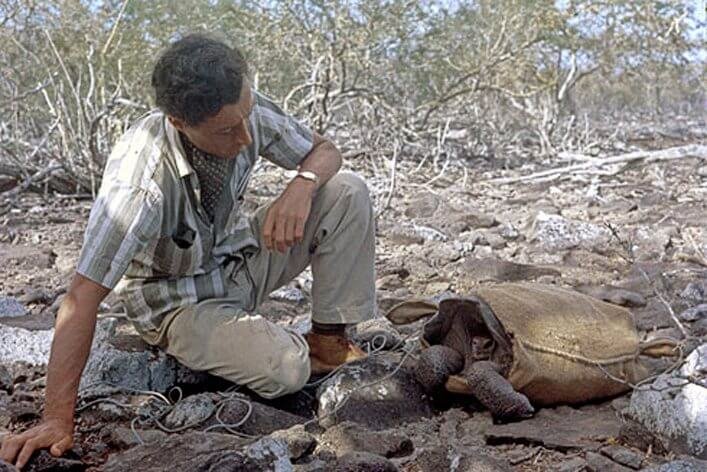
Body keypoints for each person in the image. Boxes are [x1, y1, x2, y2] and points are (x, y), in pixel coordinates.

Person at [0, 34, 375, 469]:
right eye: (227, 130)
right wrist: (56, 418)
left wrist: (302, 185)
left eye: (247, 117)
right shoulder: (139, 183)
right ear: (180, 122)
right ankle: (279, 349)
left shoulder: (238, 104)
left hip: (230, 258)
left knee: (346, 191)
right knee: (284, 370)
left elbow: (326, 152)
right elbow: (81, 298)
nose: (245, 137)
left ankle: (328, 340)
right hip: (175, 302)